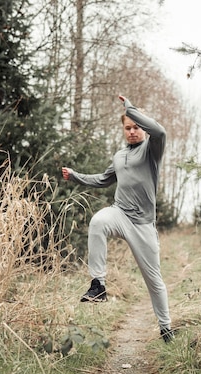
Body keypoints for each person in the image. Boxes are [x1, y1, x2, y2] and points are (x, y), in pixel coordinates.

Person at [61, 95, 174, 343]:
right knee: (98, 222)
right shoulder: (119, 155)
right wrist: (75, 176)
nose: (132, 132)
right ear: (123, 130)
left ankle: (166, 328)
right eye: (128, 128)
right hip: (120, 213)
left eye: (136, 127)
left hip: (142, 224)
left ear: (142, 128)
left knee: (154, 280)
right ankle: (98, 285)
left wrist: (131, 109)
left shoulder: (151, 149)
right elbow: (103, 179)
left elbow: (161, 130)